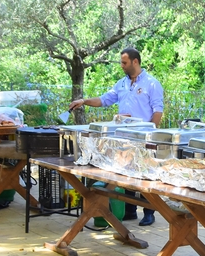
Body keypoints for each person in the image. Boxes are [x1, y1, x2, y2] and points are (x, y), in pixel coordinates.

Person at [69, 47, 164, 226]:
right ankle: (130, 210)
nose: (121, 66)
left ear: (135, 62)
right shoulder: (121, 84)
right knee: (126, 173)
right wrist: (84, 101)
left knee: (145, 175)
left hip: (143, 137)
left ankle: (149, 212)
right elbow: (105, 100)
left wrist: (151, 133)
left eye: (124, 62)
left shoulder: (152, 84)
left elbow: (158, 110)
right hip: (123, 137)